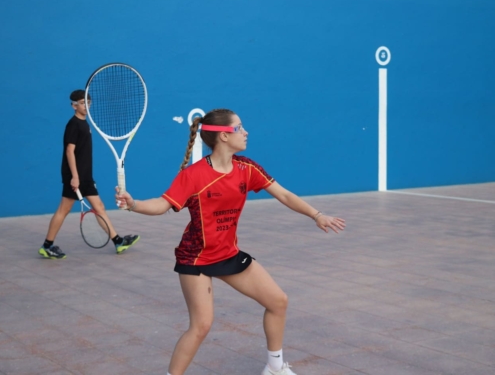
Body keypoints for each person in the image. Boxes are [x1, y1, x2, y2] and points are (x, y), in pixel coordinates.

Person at [115, 108, 346, 375]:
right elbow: (162, 204)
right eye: (239, 128)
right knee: (201, 326)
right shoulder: (194, 175)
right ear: (223, 136)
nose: (245, 132)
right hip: (196, 258)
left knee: (278, 302)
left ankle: (274, 368)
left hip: (228, 253)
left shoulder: (246, 168)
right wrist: (134, 204)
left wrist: (317, 215)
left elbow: (283, 194)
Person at [39, 90, 140, 259]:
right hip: (76, 177)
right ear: (74, 106)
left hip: (85, 176)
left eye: (88, 103)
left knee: (99, 207)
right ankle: (47, 246)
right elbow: (69, 151)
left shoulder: (85, 124)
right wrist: (75, 177)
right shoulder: (73, 124)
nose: (86, 106)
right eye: (82, 103)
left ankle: (118, 241)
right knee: (64, 210)